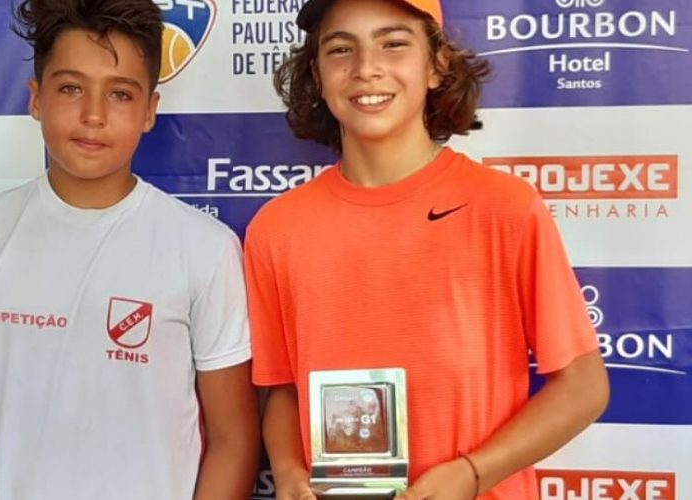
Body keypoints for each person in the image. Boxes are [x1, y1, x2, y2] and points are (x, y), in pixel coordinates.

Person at [245, 0, 610, 499]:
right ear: (317, 74)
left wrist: (473, 472)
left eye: (393, 44)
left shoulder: (504, 207)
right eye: (341, 49)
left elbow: (584, 386)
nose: (366, 68)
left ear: (436, 65)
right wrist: (288, 469)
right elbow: (282, 388)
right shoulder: (276, 229)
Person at [0, 1, 259, 498]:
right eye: (71, 88)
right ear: (36, 98)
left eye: (120, 94)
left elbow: (232, 438)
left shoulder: (205, 248)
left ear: (149, 111)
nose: (93, 115)